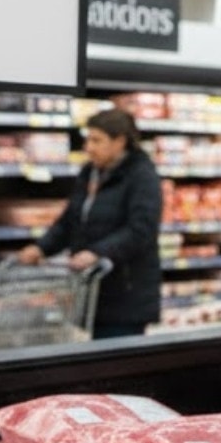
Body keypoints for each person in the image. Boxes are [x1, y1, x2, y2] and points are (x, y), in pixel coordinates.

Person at [19, 109, 163, 339]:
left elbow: (141, 230)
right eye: (88, 139)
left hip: (126, 294)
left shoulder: (142, 175)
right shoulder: (90, 173)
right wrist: (41, 247)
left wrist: (97, 253)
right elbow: (70, 221)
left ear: (120, 142)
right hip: (91, 291)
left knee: (116, 361)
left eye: (97, 140)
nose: (89, 147)